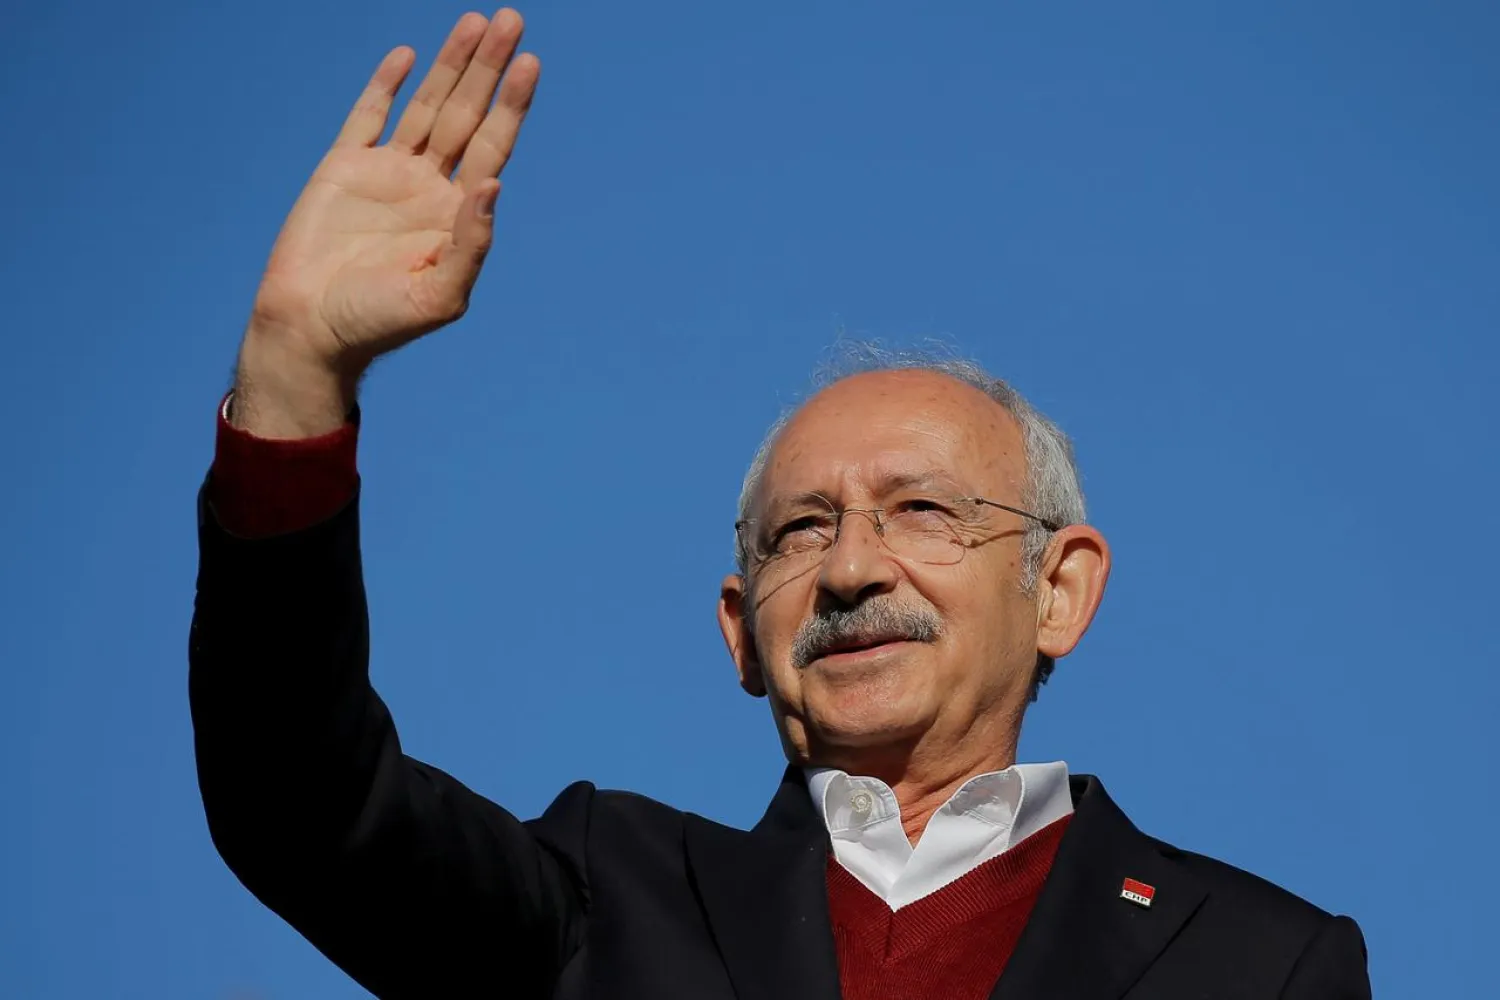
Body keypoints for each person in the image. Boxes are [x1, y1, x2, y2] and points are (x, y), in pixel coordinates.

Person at [188, 9, 1372, 1000]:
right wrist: (295, 378)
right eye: (800, 532)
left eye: (921, 511)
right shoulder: (608, 902)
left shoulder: (1261, 959)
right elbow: (302, 801)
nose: (852, 570)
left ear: (1059, 588)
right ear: (737, 628)